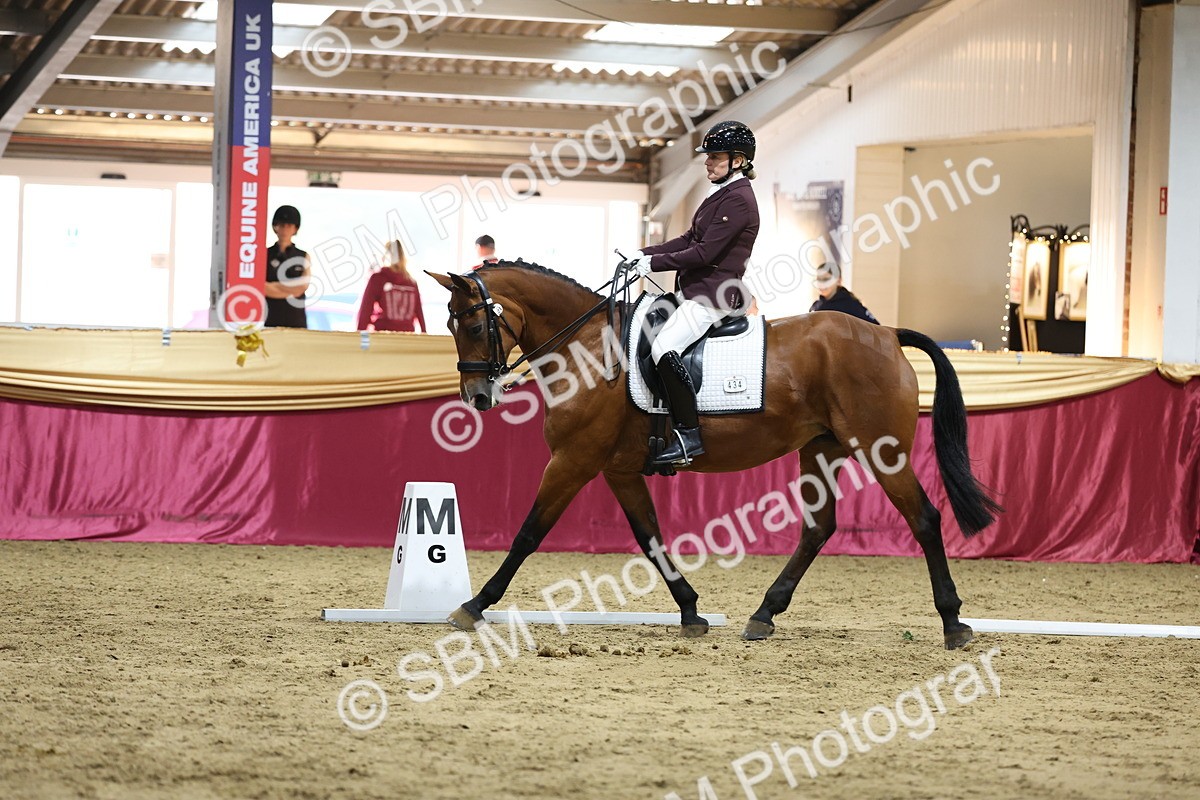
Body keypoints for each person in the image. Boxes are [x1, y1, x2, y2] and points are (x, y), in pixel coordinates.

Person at [626, 120, 760, 466]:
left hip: (712, 298)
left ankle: (689, 435)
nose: (708, 163)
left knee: (663, 347)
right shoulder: (721, 194)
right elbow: (689, 240)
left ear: (739, 160)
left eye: (715, 157)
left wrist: (653, 266)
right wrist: (645, 253)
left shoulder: (740, 201)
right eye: (709, 157)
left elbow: (704, 254)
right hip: (692, 291)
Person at [357, 240, 427, 333]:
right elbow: (419, 312)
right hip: (407, 337)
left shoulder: (378, 278)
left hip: (383, 337)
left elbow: (365, 310)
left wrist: (361, 342)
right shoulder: (411, 282)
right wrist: (424, 334)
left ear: (384, 256)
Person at [264, 205, 310, 328]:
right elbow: (262, 287)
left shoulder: (303, 256)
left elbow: (302, 286)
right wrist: (290, 289)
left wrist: (274, 287)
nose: (285, 230)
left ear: (295, 229)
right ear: (275, 227)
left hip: (296, 320)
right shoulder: (264, 254)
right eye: (282, 225)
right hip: (270, 319)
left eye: (289, 226)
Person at [809, 265, 879, 324]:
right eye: (818, 279)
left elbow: (875, 327)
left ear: (838, 281)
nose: (821, 283)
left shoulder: (851, 304)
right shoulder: (815, 306)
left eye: (826, 279)